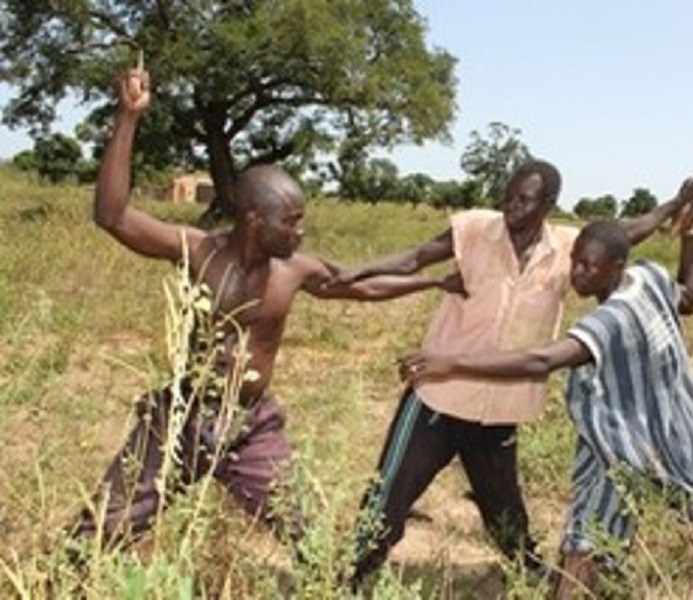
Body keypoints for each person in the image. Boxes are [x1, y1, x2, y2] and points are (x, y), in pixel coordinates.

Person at [68, 65, 460, 555]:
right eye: (292, 222)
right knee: (102, 530)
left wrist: (434, 281)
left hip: (251, 426)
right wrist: (128, 118)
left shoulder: (293, 270)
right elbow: (113, 215)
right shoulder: (197, 250)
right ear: (254, 220)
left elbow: (360, 286)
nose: (301, 233)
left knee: (305, 537)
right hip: (182, 416)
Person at [341, 157, 693, 586]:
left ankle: (525, 572)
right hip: (439, 397)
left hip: (501, 407)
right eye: (508, 196)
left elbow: (623, 234)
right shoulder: (477, 228)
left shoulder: (567, 250)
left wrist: (675, 205)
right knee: (389, 497)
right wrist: (354, 272)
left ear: (548, 203)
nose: (511, 206)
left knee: (505, 511)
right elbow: (416, 258)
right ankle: (352, 576)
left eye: (524, 199)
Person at [400, 209, 693, 597]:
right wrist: (690, 238)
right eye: (575, 260)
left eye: (589, 266)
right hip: (671, 424)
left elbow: (541, 360)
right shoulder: (648, 277)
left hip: (632, 436)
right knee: (659, 502)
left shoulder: (609, 320)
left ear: (616, 266)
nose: (578, 273)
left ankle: (579, 585)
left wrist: (450, 361)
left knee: (637, 514)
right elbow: (687, 297)